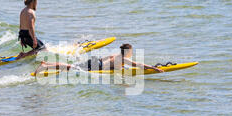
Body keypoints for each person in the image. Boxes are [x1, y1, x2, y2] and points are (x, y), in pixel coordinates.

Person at [33, 43, 164, 75]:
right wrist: (154, 68)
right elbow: (139, 64)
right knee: (70, 68)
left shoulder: (117, 55)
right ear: (128, 52)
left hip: (96, 61)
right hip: (96, 65)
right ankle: (46, 66)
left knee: (70, 67)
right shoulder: (124, 59)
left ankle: (47, 64)